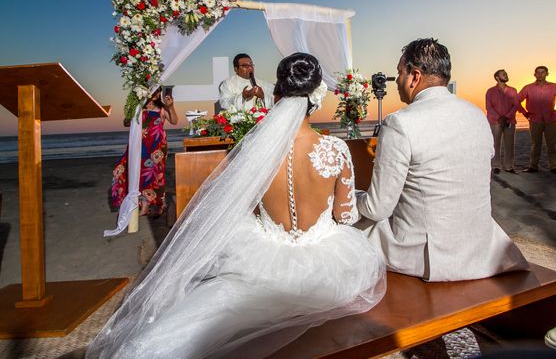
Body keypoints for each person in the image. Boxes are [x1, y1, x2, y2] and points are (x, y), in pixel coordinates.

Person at [88, 53, 386, 359]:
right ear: (316, 97)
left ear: (277, 95)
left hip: (264, 260)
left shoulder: (257, 150)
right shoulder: (335, 149)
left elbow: (245, 205)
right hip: (325, 266)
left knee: (208, 318)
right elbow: (345, 216)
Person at [356, 38, 527, 282]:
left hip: (425, 255)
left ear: (415, 76)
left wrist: (351, 197)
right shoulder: (476, 115)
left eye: (399, 73)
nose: (397, 83)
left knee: (341, 233)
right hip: (482, 250)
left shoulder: (399, 123)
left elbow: (378, 208)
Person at [110, 88, 178, 216]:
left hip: (156, 148)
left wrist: (171, 106)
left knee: (154, 176)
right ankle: (131, 202)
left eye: (159, 91)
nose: (157, 94)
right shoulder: (139, 107)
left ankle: (149, 205)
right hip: (138, 145)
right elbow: (126, 123)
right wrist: (133, 109)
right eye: (155, 90)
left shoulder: (162, 108)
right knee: (121, 171)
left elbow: (174, 121)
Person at [518, 66, 556, 175]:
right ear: (534, 74)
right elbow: (516, 101)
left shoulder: (555, 87)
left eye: (542, 72)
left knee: (552, 145)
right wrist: (524, 113)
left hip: (551, 120)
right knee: (535, 144)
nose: (540, 74)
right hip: (535, 120)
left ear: (547, 73)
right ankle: (533, 166)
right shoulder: (528, 88)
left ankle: (554, 167)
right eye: (538, 72)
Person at [486, 69, 519, 174]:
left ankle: (509, 166)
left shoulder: (513, 90)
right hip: (495, 122)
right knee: (495, 144)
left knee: (509, 144)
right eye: (503, 74)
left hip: (510, 121)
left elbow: (516, 105)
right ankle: (496, 166)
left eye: (506, 74)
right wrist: (499, 118)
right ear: (497, 77)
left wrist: (507, 117)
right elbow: (488, 107)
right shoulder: (490, 91)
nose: (506, 75)